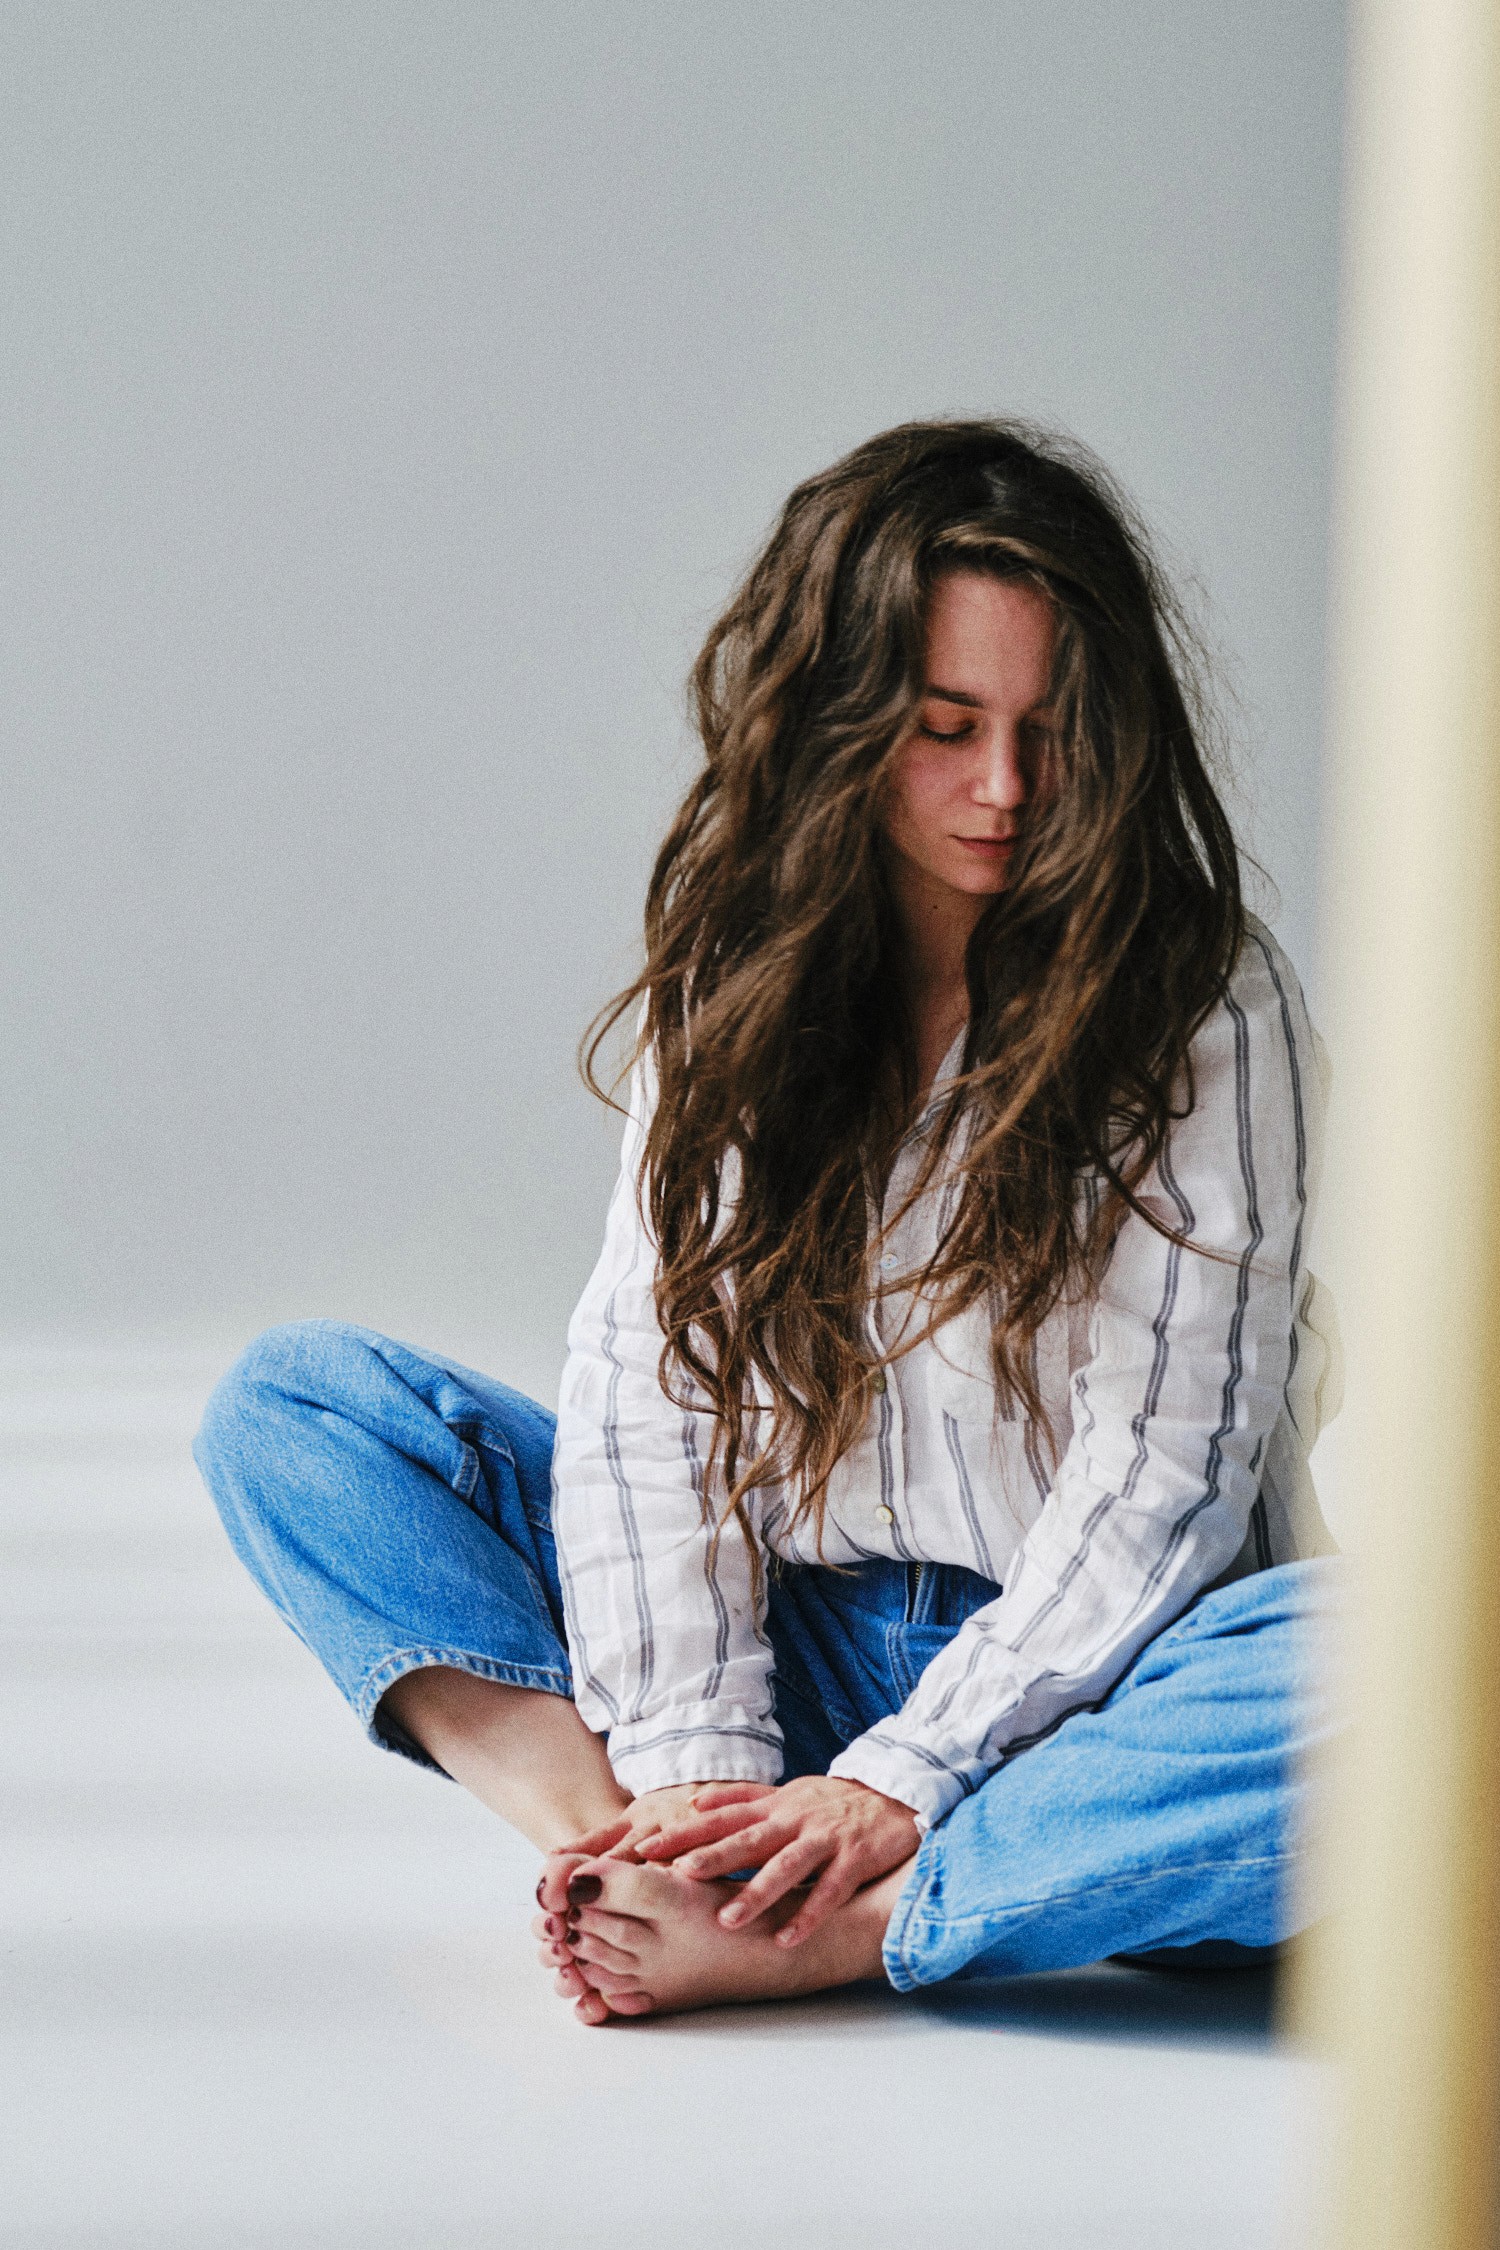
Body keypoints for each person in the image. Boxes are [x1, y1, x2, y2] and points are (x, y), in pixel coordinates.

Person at [195, 418, 1341, 2027]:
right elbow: (647, 1401)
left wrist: (905, 1783)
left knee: (1426, 1648)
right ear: (847, 721)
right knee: (298, 1409)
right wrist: (697, 1780)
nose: (1005, 790)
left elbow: (1168, 1481)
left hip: (1118, 1702)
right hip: (802, 1659)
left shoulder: (1208, 1000)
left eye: (1051, 729)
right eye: (946, 726)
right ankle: (640, 1864)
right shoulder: (740, 977)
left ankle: (853, 1923)